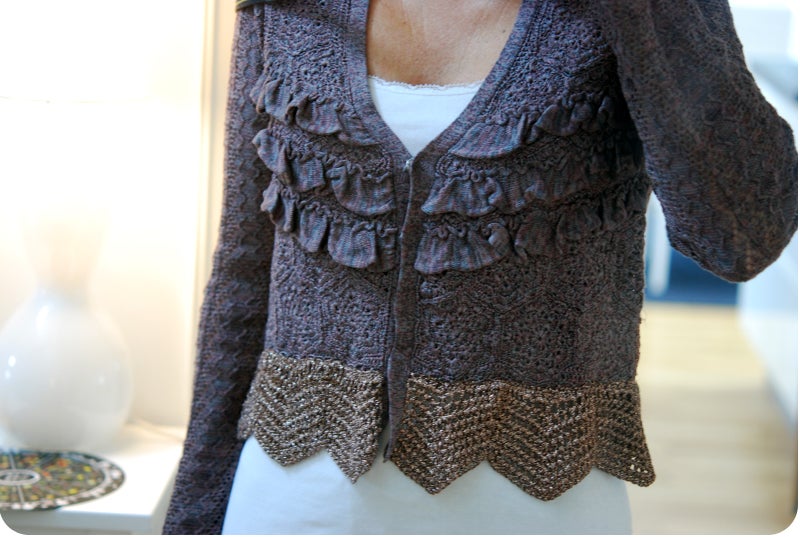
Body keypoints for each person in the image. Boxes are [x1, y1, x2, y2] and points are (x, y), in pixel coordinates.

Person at [164, 0, 798, 534]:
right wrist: (193, 517)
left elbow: (741, 237)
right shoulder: (287, 9)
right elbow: (244, 272)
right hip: (292, 504)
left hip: (541, 505)